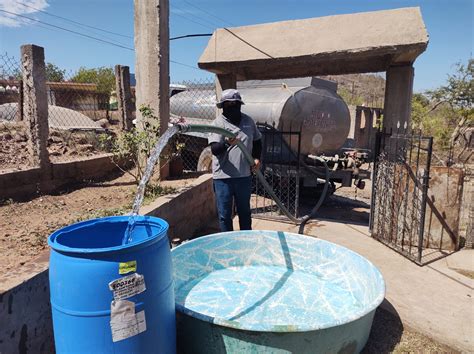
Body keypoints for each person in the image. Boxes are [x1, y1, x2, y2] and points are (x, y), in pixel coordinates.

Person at [208, 89, 262, 232]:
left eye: (235, 104)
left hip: (244, 177)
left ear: (239, 105)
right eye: (228, 105)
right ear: (223, 106)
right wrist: (226, 143)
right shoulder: (217, 123)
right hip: (223, 178)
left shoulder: (248, 121)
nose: (232, 107)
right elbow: (215, 149)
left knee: (245, 213)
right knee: (225, 215)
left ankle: (246, 240)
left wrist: (257, 158)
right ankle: (227, 243)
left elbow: (257, 141)